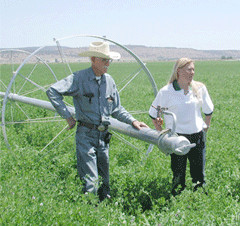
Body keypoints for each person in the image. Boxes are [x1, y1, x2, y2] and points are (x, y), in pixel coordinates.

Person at [46, 41, 148, 201]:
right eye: (104, 60)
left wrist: (133, 121)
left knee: (104, 182)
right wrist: (67, 117)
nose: (108, 64)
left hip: (103, 137)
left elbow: (116, 109)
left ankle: (104, 214)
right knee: (91, 182)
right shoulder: (79, 78)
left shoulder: (109, 81)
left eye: (109, 60)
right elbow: (52, 91)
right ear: (93, 60)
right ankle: (90, 216)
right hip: (86, 135)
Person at [149, 58, 214, 196]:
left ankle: (200, 199)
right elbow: (154, 113)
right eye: (188, 69)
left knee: (199, 173)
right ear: (178, 71)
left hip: (197, 136)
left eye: (193, 69)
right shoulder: (166, 91)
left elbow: (208, 109)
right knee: (178, 174)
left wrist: (206, 125)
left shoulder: (199, 88)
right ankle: (177, 200)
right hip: (176, 138)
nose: (192, 72)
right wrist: (160, 130)